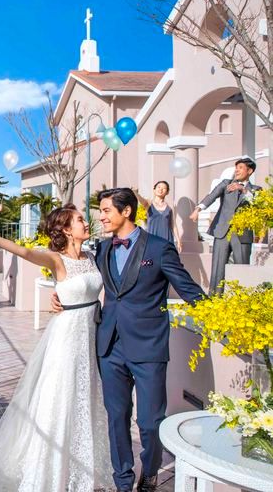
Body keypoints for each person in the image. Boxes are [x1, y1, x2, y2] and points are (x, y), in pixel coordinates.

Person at [52, 188, 203, 492]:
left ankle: (150, 472)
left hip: (148, 346)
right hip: (110, 346)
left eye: (106, 210)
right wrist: (58, 296)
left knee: (150, 421)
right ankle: (122, 479)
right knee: (116, 417)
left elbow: (189, 289)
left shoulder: (159, 249)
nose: (101, 217)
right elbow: (76, 274)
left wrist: (221, 318)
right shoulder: (101, 250)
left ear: (126, 212)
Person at [0, 205, 112, 491]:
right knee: (60, 399)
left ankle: (81, 470)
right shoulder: (56, 259)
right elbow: (25, 252)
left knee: (84, 398)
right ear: (66, 229)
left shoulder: (93, 256)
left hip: (90, 335)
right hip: (67, 338)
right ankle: (49, 473)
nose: (86, 223)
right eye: (80, 220)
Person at [189, 157, 261, 294]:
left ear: (250, 171)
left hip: (242, 233)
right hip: (222, 231)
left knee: (242, 266)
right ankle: (215, 296)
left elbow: (258, 204)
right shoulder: (226, 183)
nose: (237, 170)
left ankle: (241, 297)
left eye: (240, 168)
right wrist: (198, 209)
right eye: (236, 167)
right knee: (218, 266)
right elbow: (211, 196)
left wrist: (243, 190)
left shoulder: (256, 189)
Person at [135, 181, 182, 251]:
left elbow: (173, 225)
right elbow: (141, 200)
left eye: (164, 188)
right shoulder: (148, 203)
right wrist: (135, 193)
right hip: (152, 238)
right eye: (159, 187)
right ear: (154, 190)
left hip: (167, 239)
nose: (161, 189)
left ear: (167, 192)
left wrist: (179, 241)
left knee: (166, 257)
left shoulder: (170, 206)